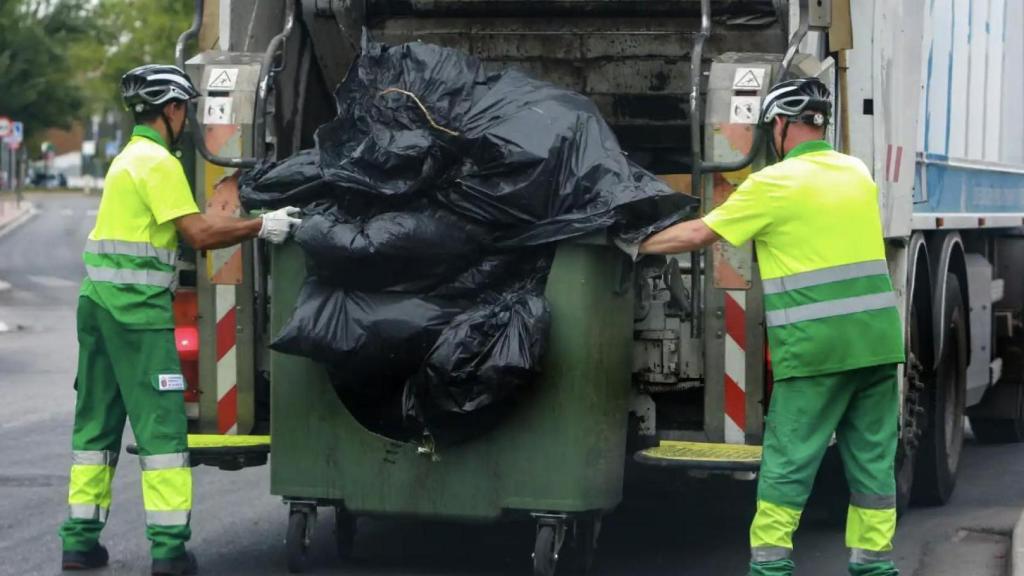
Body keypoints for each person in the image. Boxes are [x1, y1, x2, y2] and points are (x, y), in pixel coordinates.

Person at [635, 77, 905, 576]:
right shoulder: (857, 173)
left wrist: (632, 245)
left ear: (779, 126)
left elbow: (699, 233)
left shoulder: (774, 184)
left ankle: (771, 568)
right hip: (878, 346)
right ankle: (874, 566)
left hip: (815, 351)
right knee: (872, 467)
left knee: (787, 465)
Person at [58, 64, 301, 575]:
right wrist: (263, 226)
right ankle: (169, 552)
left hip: (96, 306)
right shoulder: (159, 164)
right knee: (162, 431)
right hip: (136, 315)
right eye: (185, 107)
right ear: (171, 109)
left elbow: (186, 225)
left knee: (95, 427)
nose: (188, 116)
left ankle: (79, 542)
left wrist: (242, 219)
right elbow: (199, 234)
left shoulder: (127, 160)